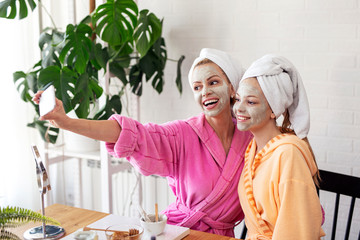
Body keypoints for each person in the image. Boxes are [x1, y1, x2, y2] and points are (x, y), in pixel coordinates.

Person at [33, 48, 253, 237]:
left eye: (213, 82)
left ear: (233, 88)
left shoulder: (251, 141)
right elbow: (129, 133)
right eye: (197, 87)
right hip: (179, 232)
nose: (205, 92)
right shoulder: (184, 134)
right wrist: (68, 122)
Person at [233, 54, 325, 239]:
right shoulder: (253, 150)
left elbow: (297, 232)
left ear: (274, 110)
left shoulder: (288, 154)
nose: (239, 108)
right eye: (237, 99)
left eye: (250, 101)